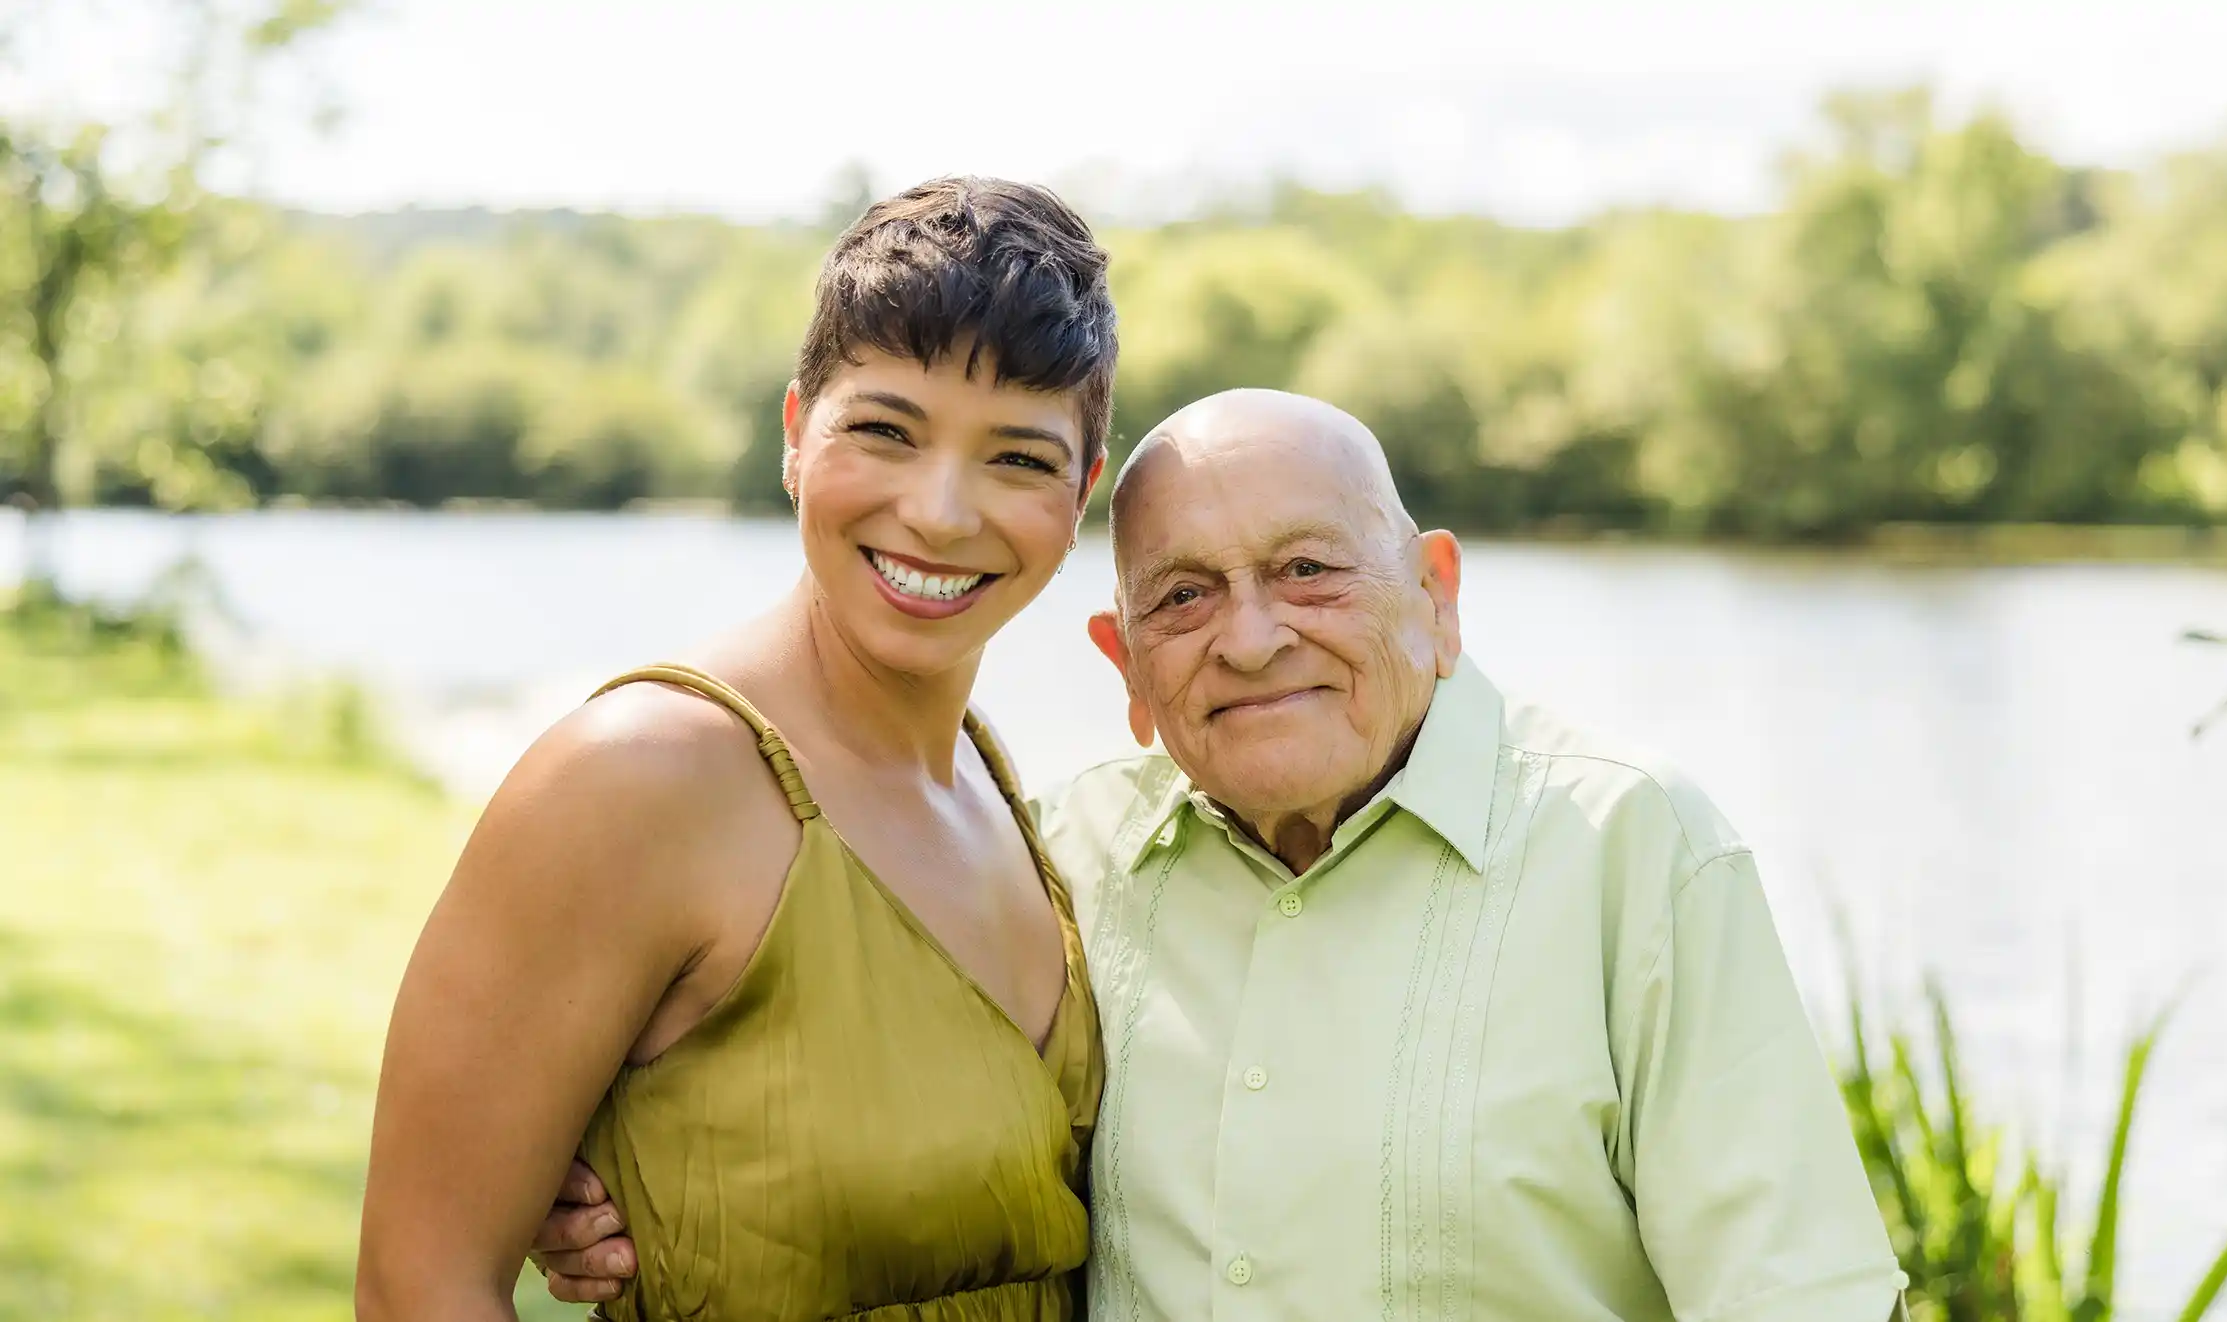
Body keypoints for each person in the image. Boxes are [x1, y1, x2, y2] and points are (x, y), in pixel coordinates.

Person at [533, 389, 1910, 1321]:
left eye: (1308, 570)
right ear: (1124, 666)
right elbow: (850, 1107)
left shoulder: (1634, 851)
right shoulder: (1055, 866)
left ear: (1434, 595)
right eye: (1184, 597)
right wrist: (610, 1175)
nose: (1248, 638)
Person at [355, 176, 1119, 1322]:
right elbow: (421, 1284)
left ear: (1080, 495)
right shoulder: (638, 775)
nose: (943, 512)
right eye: (884, 431)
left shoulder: (1002, 792)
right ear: (795, 436)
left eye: (1017, 458)